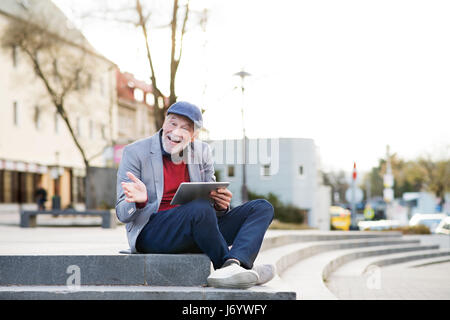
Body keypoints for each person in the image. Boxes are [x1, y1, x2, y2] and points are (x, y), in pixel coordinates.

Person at [116, 101, 275, 289]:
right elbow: (121, 214)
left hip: (196, 227)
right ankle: (234, 267)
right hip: (153, 232)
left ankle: (236, 264)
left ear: (193, 136)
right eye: (172, 123)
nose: (176, 132)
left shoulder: (202, 151)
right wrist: (139, 202)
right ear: (164, 124)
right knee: (199, 207)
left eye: (185, 128)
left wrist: (220, 205)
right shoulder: (135, 152)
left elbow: (212, 207)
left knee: (262, 208)